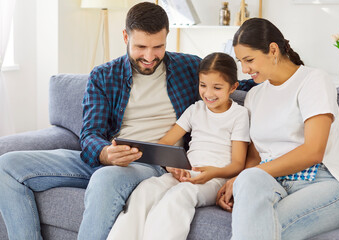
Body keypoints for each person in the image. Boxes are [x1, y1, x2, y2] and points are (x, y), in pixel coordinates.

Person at [0, 2, 256, 240]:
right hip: (108, 157)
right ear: (125, 37)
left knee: (105, 180)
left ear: (167, 37)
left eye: (158, 47)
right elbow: (89, 133)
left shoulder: (188, 68)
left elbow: (231, 83)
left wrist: (274, 78)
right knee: (6, 165)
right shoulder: (104, 76)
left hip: (151, 163)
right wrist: (105, 153)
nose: (150, 56)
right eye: (141, 47)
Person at [216, 18, 339, 240]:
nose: (244, 69)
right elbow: (254, 157)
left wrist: (251, 174)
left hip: (323, 184)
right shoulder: (255, 95)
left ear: (273, 50)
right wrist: (239, 180)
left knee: (262, 228)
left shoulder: (313, 80)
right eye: (240, 61)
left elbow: (313, 151)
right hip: (274, 183)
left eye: (249, 59)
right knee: (249, 182)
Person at [107, 52, 250, 240]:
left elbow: (238, 164)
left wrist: (212, 173)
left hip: (216, 180)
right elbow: (165, 143)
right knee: (145, 190)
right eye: (203, 85)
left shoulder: (239, 115)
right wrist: (172, 166)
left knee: (179, 197)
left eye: (217, 87)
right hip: (187, 172)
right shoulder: (195, 110)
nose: (208, 93)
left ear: (233, 87)